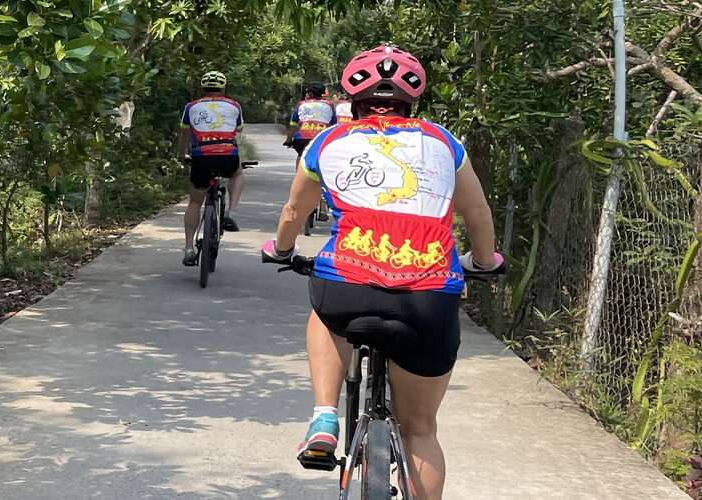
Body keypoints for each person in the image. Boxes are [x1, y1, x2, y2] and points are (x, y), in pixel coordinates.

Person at [261, 45, 501, 500]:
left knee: (324, 308)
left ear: (353, 101)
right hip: (428, 295)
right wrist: (486, 262)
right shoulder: (444, 142)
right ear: (413, 102)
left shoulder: (326, 142)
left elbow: (294, 210)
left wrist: (282, 248)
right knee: (420, 429)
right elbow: (476, 213)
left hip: (348, 288)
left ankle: (325, 416)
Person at [179, 70, 245, 266]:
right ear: (223, 88)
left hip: (201, 157)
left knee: (194, 201)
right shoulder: (234, 105)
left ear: (203, 88)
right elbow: (238, 130)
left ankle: (189, 248)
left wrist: (181, 155)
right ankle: (230, 213)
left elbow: (184, 134)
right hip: (227, 156)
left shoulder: (191, 106)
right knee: (238, 172)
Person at [283, 83, 336, 157]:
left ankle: (299, 166)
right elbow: (334, 125)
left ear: (309, 93)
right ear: (323, 93)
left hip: (301, 138)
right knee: (322, 157)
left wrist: (288, 140)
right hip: (321, 139)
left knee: (301, 156)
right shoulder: (330, 105)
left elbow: (293, 125)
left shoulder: (301, 104)